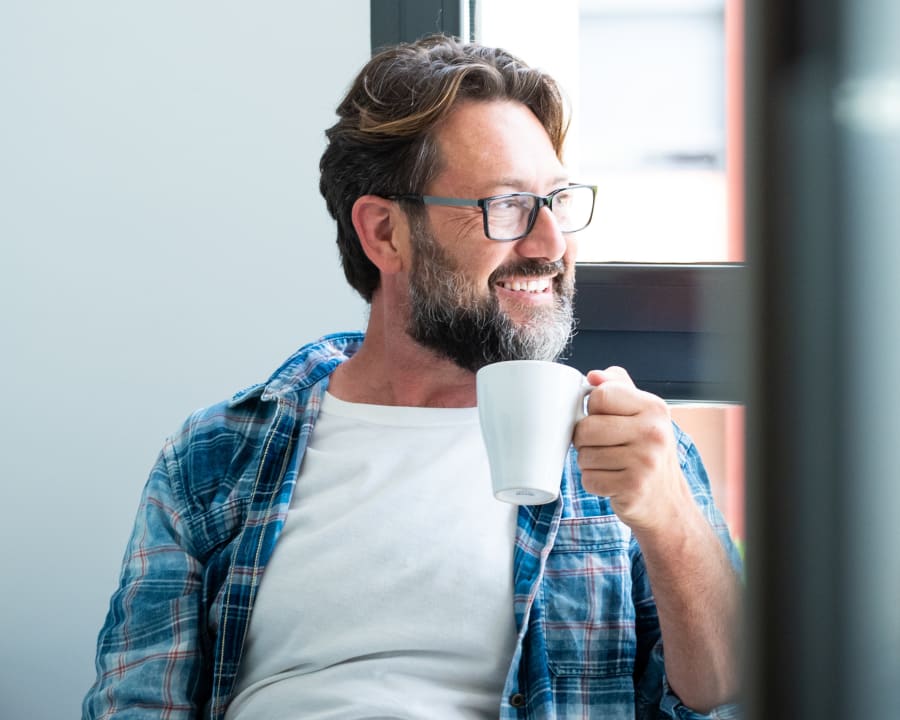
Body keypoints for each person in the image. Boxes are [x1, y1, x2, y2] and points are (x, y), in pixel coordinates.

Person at [83, 35, 742, 719]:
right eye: (507, 206)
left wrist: (668, 518)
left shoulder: (630, 453)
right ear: (384, 234)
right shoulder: (217, 455)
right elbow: (134, 704)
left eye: (559, 201)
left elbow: (731, 701)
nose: (551, 246)